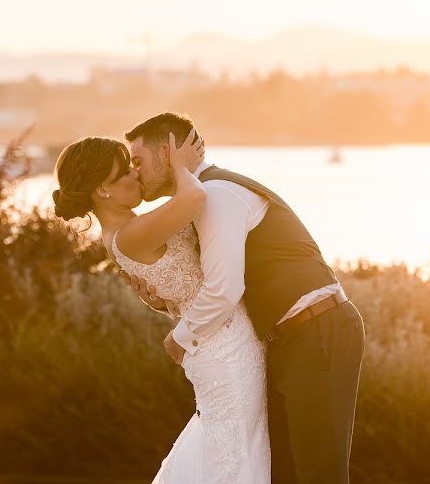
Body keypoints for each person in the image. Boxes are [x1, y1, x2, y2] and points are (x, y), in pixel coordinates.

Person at [123, 112, 365, 484]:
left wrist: (182, 337)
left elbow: (224, 288)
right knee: (284, 473)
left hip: (317, 330)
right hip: (288, 340)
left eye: (138, 161)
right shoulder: (201, 200)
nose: (134, 171)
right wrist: (164, 302)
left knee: (319, 474)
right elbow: (216, 291)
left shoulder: (219, 195)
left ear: (168, 151)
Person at [52, 130, 270, 483]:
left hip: (222, 342)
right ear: (102, 190)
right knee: (237, 453)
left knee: (236, 447)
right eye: (123, 172)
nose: (135, 174)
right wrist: (180, 164)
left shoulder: (128, 230)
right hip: (224, 352)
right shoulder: (130, 234)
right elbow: (195, 196)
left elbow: (174, 289)